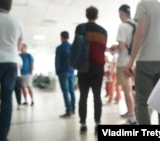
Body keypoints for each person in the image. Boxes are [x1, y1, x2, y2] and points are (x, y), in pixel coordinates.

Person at [124, 0, 160, 125]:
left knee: (142, 102)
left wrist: (130, 62)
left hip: (146, 60)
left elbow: (140, 33)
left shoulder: (143, 5)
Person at [76, 6, 107, 134]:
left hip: (83, 67)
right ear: (97, 16)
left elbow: (77, 47)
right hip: (98, 68)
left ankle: (83, 123)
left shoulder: (80, 28)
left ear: (86, 15)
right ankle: (97, 123)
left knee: (83, 96)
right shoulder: (103, 31)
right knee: (97, 96)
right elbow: (102, 50)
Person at [0, 0, 24, 140]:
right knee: (6, 99)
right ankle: (1, 136)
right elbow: (19, 47)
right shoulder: (17, 22)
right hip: (11, 63)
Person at [110, 4, 137, 124]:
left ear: (122, 12)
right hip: (135, 62)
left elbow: (121, 47)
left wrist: (113, 49)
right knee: (132, 89)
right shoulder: (136, 25)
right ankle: (134, 111)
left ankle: (131, 117)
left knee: (127, 91)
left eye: (119, 13)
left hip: (124, 63)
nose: (119, 16)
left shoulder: (123, 26)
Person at [55, 31, 76, 118]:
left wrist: (57, 71)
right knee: (72, 91)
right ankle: (73, 109)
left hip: (63, 72)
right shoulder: (72, 47)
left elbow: (57, 61)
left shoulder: (59, 48)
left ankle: (68, 111)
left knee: (65, 91)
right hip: (71, 71)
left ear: (61, 37)